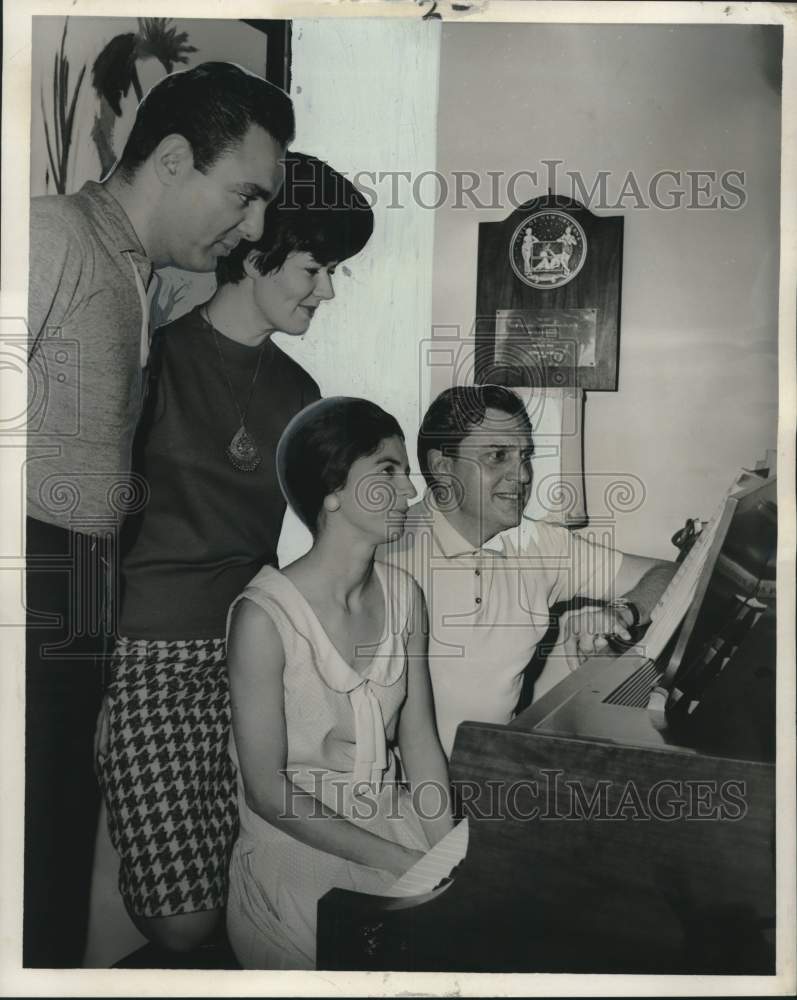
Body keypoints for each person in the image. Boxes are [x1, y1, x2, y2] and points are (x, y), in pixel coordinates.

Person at [24, 61, 294, 968]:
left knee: (44, 870)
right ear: (174, 158)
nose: (253, 227)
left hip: (78, 595)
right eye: (245, 195)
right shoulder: (52, 235)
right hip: (27, 582)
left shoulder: (137, 279)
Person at [96, 155, 375, 955]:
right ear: (255, 256)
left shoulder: (298, 391)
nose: (324, 291)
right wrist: (94, 683)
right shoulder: (151, 362)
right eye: (315, 269)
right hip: (152, 658)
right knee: (182, 916)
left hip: (259, 656)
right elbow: (90, 532)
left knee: (269, 884)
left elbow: (336, 535)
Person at [225, 398, 453, 969]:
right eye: (388, 471)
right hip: (300, 842)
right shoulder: (262, 617)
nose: (409, 491)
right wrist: (399, 861)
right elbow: (266, 791)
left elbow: (421, 744)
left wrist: (446, 851)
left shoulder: (406, 597)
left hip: (390, 820)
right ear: (332, 491)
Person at [379, 385, 677, 758]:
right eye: (498, 456)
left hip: (495, 776)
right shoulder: (386, 550)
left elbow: (668, 574)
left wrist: (621, 610)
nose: (521, 475)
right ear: (443, 468)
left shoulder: (537, 543)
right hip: (408, 794)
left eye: (525, 456)